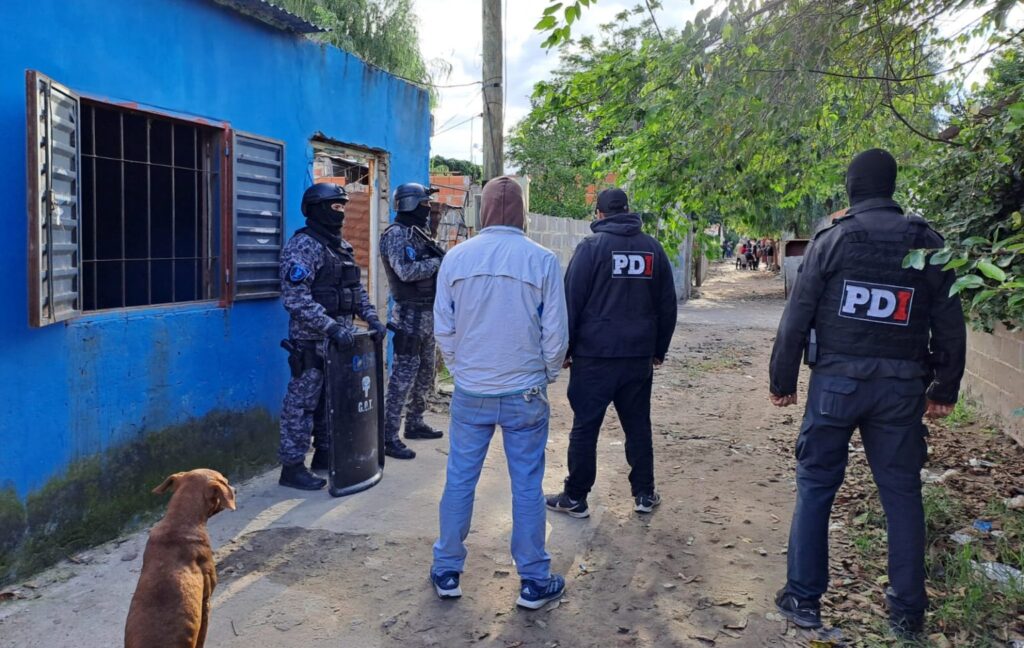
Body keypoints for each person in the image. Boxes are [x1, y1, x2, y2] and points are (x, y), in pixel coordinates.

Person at [768, 148, 966, 640]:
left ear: (852, 188)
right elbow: (950, 322)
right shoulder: (927, 243)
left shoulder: (833, 241)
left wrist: (782, 381)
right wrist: (945, 387)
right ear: (891, 186)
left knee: (816, 488)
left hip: (836, 386)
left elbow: (798, 316)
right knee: (902, 494)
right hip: (901, 390)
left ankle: (803, 598)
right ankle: (906, 613)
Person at [430, 176, 569, 610]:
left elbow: (444, 328)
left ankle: (447, 570)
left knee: (459, 479)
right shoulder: (542, 260)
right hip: (524, 392)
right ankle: (533, 580)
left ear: (483, 210)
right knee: (527, 484)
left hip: (471, 391)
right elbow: (556, 334)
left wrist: (462, 370)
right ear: (524, 212)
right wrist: (542, 375)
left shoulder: (455, 258)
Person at [546, 187, 678, 518]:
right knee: (637, 425)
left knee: (585, 426)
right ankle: (644, 494)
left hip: (594, 358)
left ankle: (575, 497)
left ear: (600, 215)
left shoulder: (592, 248)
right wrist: (658, 349)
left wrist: (565, 349)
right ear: (628, 210)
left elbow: (571, 301)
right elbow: (667, 304)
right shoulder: (652, 249)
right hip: (637, 358)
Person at [277, 183, 387, 490]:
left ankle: (325, 455)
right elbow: (295, 299)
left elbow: (355, 292)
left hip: (340, 343)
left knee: (334, 402)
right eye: (334, 207)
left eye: (343, 207)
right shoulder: (303, 246)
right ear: (316, 209)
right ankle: (292, 466)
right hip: (312, 342)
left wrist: (372, 320)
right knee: (302, 404)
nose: (340, 213)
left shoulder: (341, 248)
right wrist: (331, 328)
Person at [380, 182, 445, 460]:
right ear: (409, 204)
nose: (428, 210)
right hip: (409, 315)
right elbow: (405, 271)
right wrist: (440, 263)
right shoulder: (396, 235)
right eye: (424, 205)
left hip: (429, 314)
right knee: (403, 377)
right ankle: (388, 436)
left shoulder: (418, 233)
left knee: (425, 373)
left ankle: (415, 422)